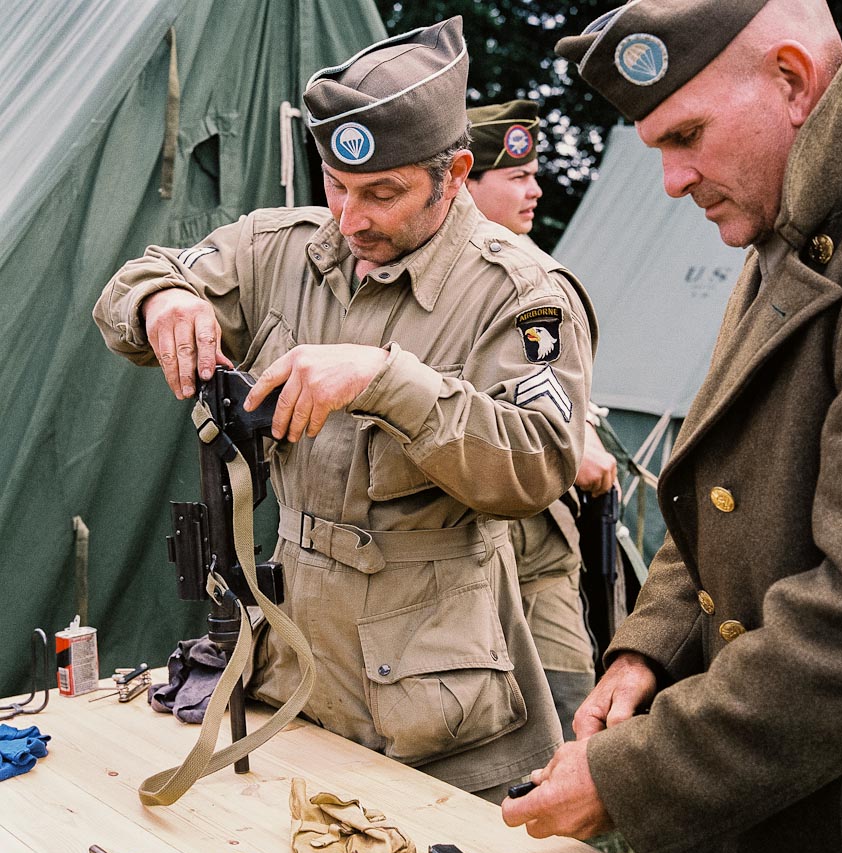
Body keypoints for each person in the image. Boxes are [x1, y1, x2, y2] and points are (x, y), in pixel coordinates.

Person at [93, 17, 598, 805]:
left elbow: (536, 465)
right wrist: (161, 298)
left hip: (439, 711)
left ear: (457, 173)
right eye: (335, 185)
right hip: (298, 678)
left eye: (383, 193)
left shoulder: (520, 294)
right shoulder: (282, 249)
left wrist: (388, 380)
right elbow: (132, 284)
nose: (351, 218)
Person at [502, 0, 842, 853]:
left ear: (792, 82)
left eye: (687, 135)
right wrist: (650, 647)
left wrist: (627, 775)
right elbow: (726, 487)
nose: (674, 181)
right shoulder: (795, 215)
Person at [466, 99, 618, 739]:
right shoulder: (436, 282)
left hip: (543, 536)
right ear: (465, 180)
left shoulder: (534, 276)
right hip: (467, 540)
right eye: (516, 177)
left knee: (571, 699)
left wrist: (576, 433)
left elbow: (545, 384)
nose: (536, 189)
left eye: (534, 174)